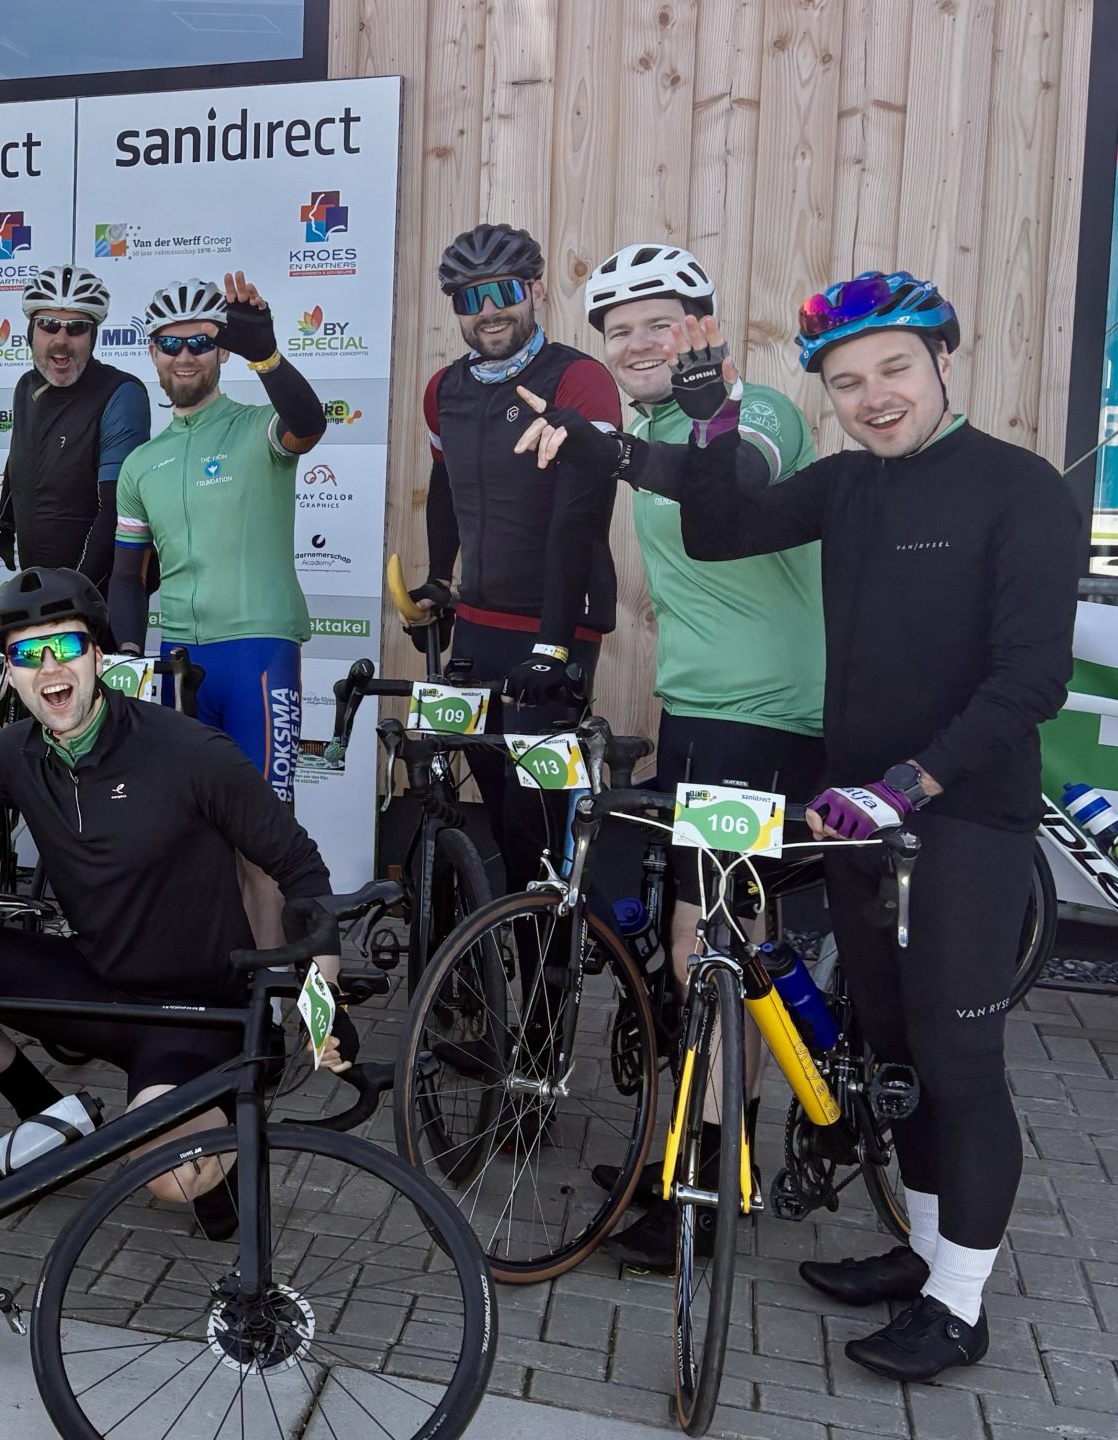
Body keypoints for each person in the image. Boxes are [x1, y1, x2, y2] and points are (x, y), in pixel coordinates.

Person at [526, 271, 1082, 1383]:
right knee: (893, 1051)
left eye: (894, 370)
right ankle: (924, 1253)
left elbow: (1032, 679)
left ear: (941, 362)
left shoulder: (1016, 488)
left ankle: (960, 1305)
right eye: (847, 382)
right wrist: (695, 426)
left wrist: (909, 785)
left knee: (960, 1061)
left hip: (961, 818)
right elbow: (721, 528)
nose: (874, 397)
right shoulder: (847, 485)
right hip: (857, 813)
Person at [0, 567, 338, 1223]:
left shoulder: (189, 751)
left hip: (198, 1014)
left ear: (98, 655)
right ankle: (48, 1112)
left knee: (170, 1177)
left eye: (67, 645)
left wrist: (321, 1005)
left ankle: (224, 1128)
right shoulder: (13, 753)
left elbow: (299, 868)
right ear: (9, 673)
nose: (49, 667)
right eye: (28, 653)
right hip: (95, 986)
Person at [570, 243, 825, 1272]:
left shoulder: (755, 410)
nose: (636, 343)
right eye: (616, 329)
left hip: (762, 717)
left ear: (701, 328)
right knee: (716, 955)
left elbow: (735, 490)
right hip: (700, 712)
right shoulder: (648, 428)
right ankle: (698, 1161)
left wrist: (631, 446)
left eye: (657, 322)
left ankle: (706, 1195)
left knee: (707, 945)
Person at [406, 223, 624, 894]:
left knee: (540, 822)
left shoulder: (579, 378)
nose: (488, 311)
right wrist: (439, 579)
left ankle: (563, 953)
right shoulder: (443, 389)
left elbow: (582, 514)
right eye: (469, 299)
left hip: (555, 625)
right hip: (478, 626)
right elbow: (445, 486)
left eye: (503, 292)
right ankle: (507, 947)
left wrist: (554, 646)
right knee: (497, 811)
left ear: (535, 290)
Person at [106, 274, 326, 800]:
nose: (185, 356)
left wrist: (266, 355)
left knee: (266, 823)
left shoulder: (259, 428)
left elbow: (308, 425)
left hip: (259, 650)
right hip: (179, 658)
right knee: (185, 821)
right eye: (170, 344)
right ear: (152, 352)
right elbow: (127, 576)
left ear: (223, 351)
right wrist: (130, 652)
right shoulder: (140, 463)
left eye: (201, 342)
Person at [0, 265, 150, 592]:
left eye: (77, 328)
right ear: (31, 332)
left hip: (96, 593)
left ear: (93, 337)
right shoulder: (26, 387)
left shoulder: (121, 393)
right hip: (38, 585)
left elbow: (117, 509)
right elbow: (20, 458)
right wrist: (4, 528)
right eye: (48, 325)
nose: (61, 341)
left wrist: (74, 591)